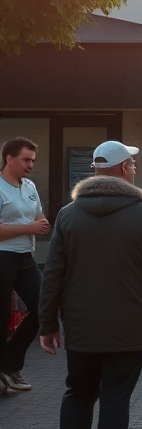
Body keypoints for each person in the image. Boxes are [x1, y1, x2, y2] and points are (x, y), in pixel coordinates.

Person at [38, 140, 142, 429]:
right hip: (131, 324)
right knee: (115, 397)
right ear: (124, 168)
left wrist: (48, 323)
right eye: (133, 164)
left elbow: (53, 274)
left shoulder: (68, 215)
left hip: (81, 325)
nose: (135, 168)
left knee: (79, 393)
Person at [0, 137, 49, 395]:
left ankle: (9, 365)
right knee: (2, 316)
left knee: (43, 307)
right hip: (2, 256)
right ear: (9, 158)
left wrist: (41, 223)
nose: (30, 165)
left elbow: (38, 214)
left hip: (25, 257)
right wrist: (30, 228)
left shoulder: (29, 185)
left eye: (33, 160)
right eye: (26, 160)